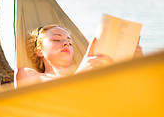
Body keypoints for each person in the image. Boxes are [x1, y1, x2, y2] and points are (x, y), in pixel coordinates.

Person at [15, 25, 143, 88]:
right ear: (39, 51)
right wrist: (81, 74)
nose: (66, 43)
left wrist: (137, 63)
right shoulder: (29, 75)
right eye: (56, 40)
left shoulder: (92, 76)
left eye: (70, 42)